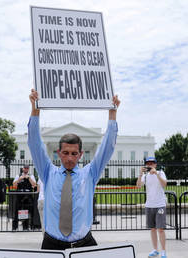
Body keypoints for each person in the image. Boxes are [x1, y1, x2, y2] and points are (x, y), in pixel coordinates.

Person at [28, 89, 120, 250]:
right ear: (58, 153)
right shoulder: (48, 172)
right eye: (65, 153)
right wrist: (35, 110)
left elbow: (107, 148)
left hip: (83, 244)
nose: (69, 158)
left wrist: (112, 114)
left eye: (74, 153)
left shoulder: (90, 173)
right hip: (52, 244)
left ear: (80, 154)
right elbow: (35, 144)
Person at [136, 157, 168, 258]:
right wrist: (140, 173)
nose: (149, 165)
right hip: (149, 205)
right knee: (153, 229)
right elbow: (138, 186)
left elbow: (164, 184)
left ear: (155, 164)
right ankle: (155, 249)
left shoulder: (161, 173)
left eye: (151, 163)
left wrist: (157, 174)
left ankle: (163, 250)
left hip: (160, 205)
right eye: (148, 163)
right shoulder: (145, 176)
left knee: (161, 229)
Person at [12, 165, 36, 230]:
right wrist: (20, 179)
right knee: (17, 210)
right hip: (20, 194)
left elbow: (34, 185)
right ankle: (15, 227)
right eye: (25, 168)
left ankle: (26, 226)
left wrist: (29, 178)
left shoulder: (31, 176)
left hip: (28, 195)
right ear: (23, 168)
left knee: (28, 210)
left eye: (27, 168)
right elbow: (14, 185)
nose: (26, 169)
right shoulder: (18, 175)